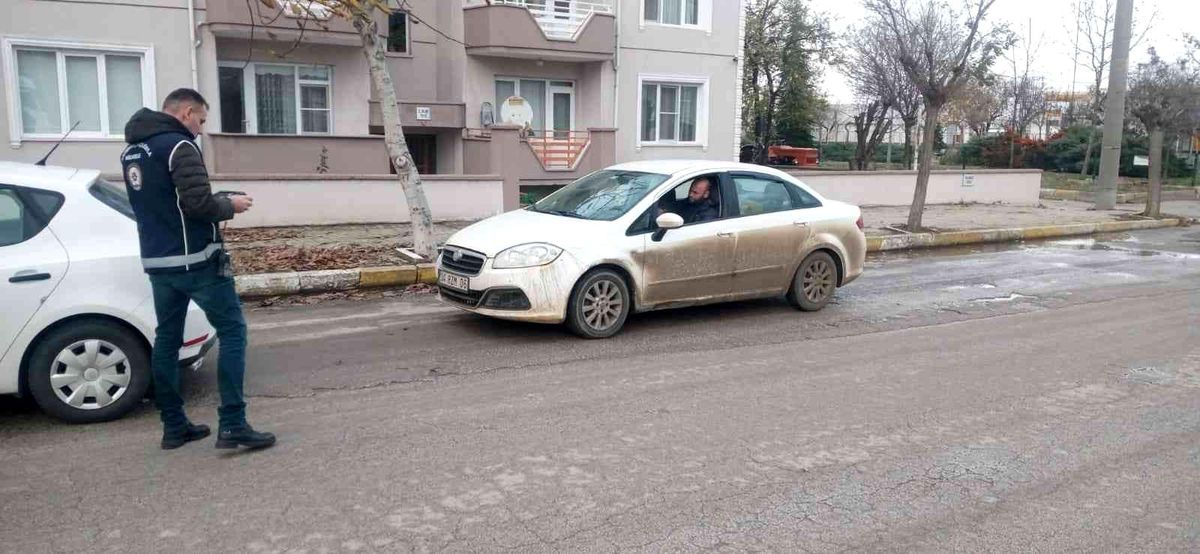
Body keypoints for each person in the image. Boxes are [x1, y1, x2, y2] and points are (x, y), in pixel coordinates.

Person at [121, 88, 275, 451]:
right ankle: (234, 424)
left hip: (159, 263)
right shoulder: (179, 146)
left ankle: (174, 426)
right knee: (233, 331)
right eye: (201, 121)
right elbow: (197, 205)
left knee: (167, 340)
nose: (201, 129)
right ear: (187, 112)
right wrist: (230, 204)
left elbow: (169, 202)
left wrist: (213, 201)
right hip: (196, 261)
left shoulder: (133, 150)